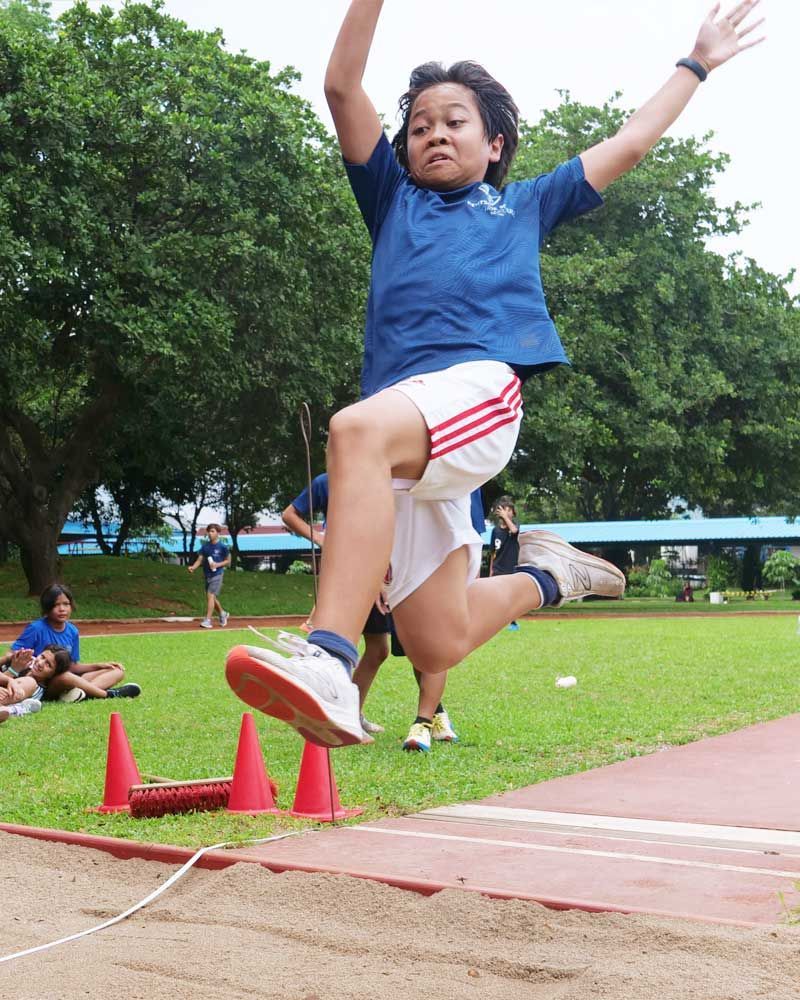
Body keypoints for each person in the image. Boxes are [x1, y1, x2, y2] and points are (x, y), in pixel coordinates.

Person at [227, 0, 763, 748]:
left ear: (495, 142)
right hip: (408, 437)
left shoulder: (525, 207)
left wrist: (697, 61)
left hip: (477, 395)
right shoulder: (390, 200)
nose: (434, 134)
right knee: (437, 638)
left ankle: (331, 655)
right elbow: (343, 87)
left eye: (453, 122)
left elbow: (633, 142)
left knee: (353, 431)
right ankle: (551, 574)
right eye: (418, 126)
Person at [282, 472, 469, 749]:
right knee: (382, 647)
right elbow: (290, 514)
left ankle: (428, 716)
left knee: (404, 646)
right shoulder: (329, 481)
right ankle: (348, 716)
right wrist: (321, 538)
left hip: (394, 570)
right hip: (358, 571)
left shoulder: (389, 478)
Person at [0, 584, 140, 703]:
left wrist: (98, 665)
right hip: (43, 681)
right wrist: (16, 663)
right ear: (47, 608)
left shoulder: (72, 630)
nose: (62, 609)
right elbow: (11, 655)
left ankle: (81, 693)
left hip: (63, 673)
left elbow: (73, 666)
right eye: (56, 605)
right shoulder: (36, 628)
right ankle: (105, 694)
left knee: (116, 671)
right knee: (66, 677)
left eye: (66, 604)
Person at [188, 524, 231, 629]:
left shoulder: (223, 547)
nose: (210, 534)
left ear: (217, 533)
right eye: (209, 531)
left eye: (212, 531)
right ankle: (222, 613)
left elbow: (228, 561)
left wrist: (217, 564)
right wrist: (193, 567)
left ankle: (207, 620)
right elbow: (200, 559)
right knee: (212, 597)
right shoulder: (205, 547)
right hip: (207, 575)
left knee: (210, 595)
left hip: (217, 574)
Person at [489, 496, 521, 631]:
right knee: (497, 597)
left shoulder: (515, 526)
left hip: (512, 568)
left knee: (511, 597)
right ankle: (498, 622)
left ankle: (512, 622)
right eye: (503, 510)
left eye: (509, 510)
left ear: (513, 513)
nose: (506, 512)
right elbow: (492, 552)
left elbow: (514, 531)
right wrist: (490, 570)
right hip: (498, 568)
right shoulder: (495, 531)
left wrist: (507, 519)